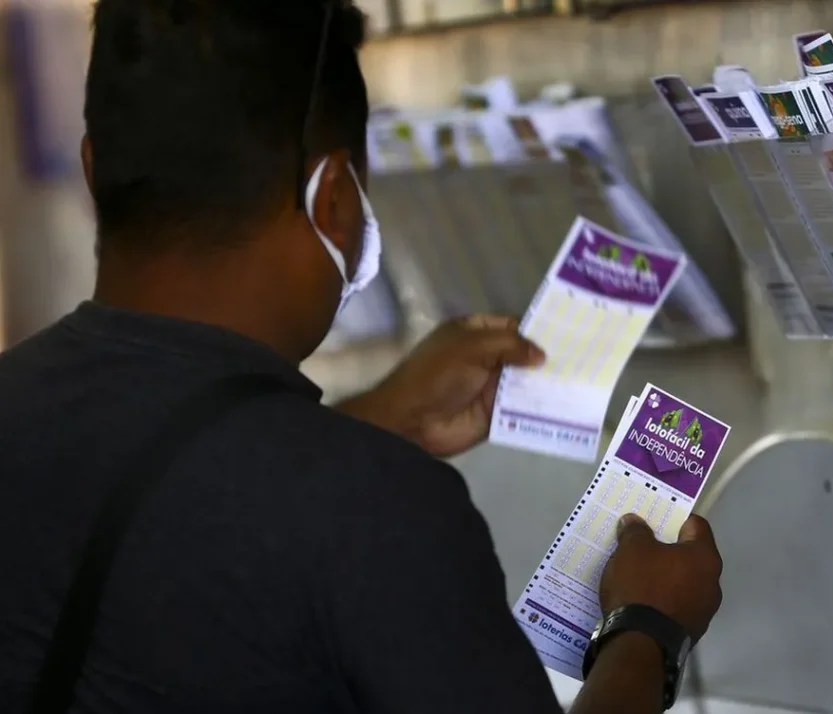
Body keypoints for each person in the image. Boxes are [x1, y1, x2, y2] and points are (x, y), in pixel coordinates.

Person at [0, 1, 724, 713]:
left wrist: (375, 420)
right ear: (334, 199)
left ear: (94, 169)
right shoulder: (380, 514)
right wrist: (647, 629)